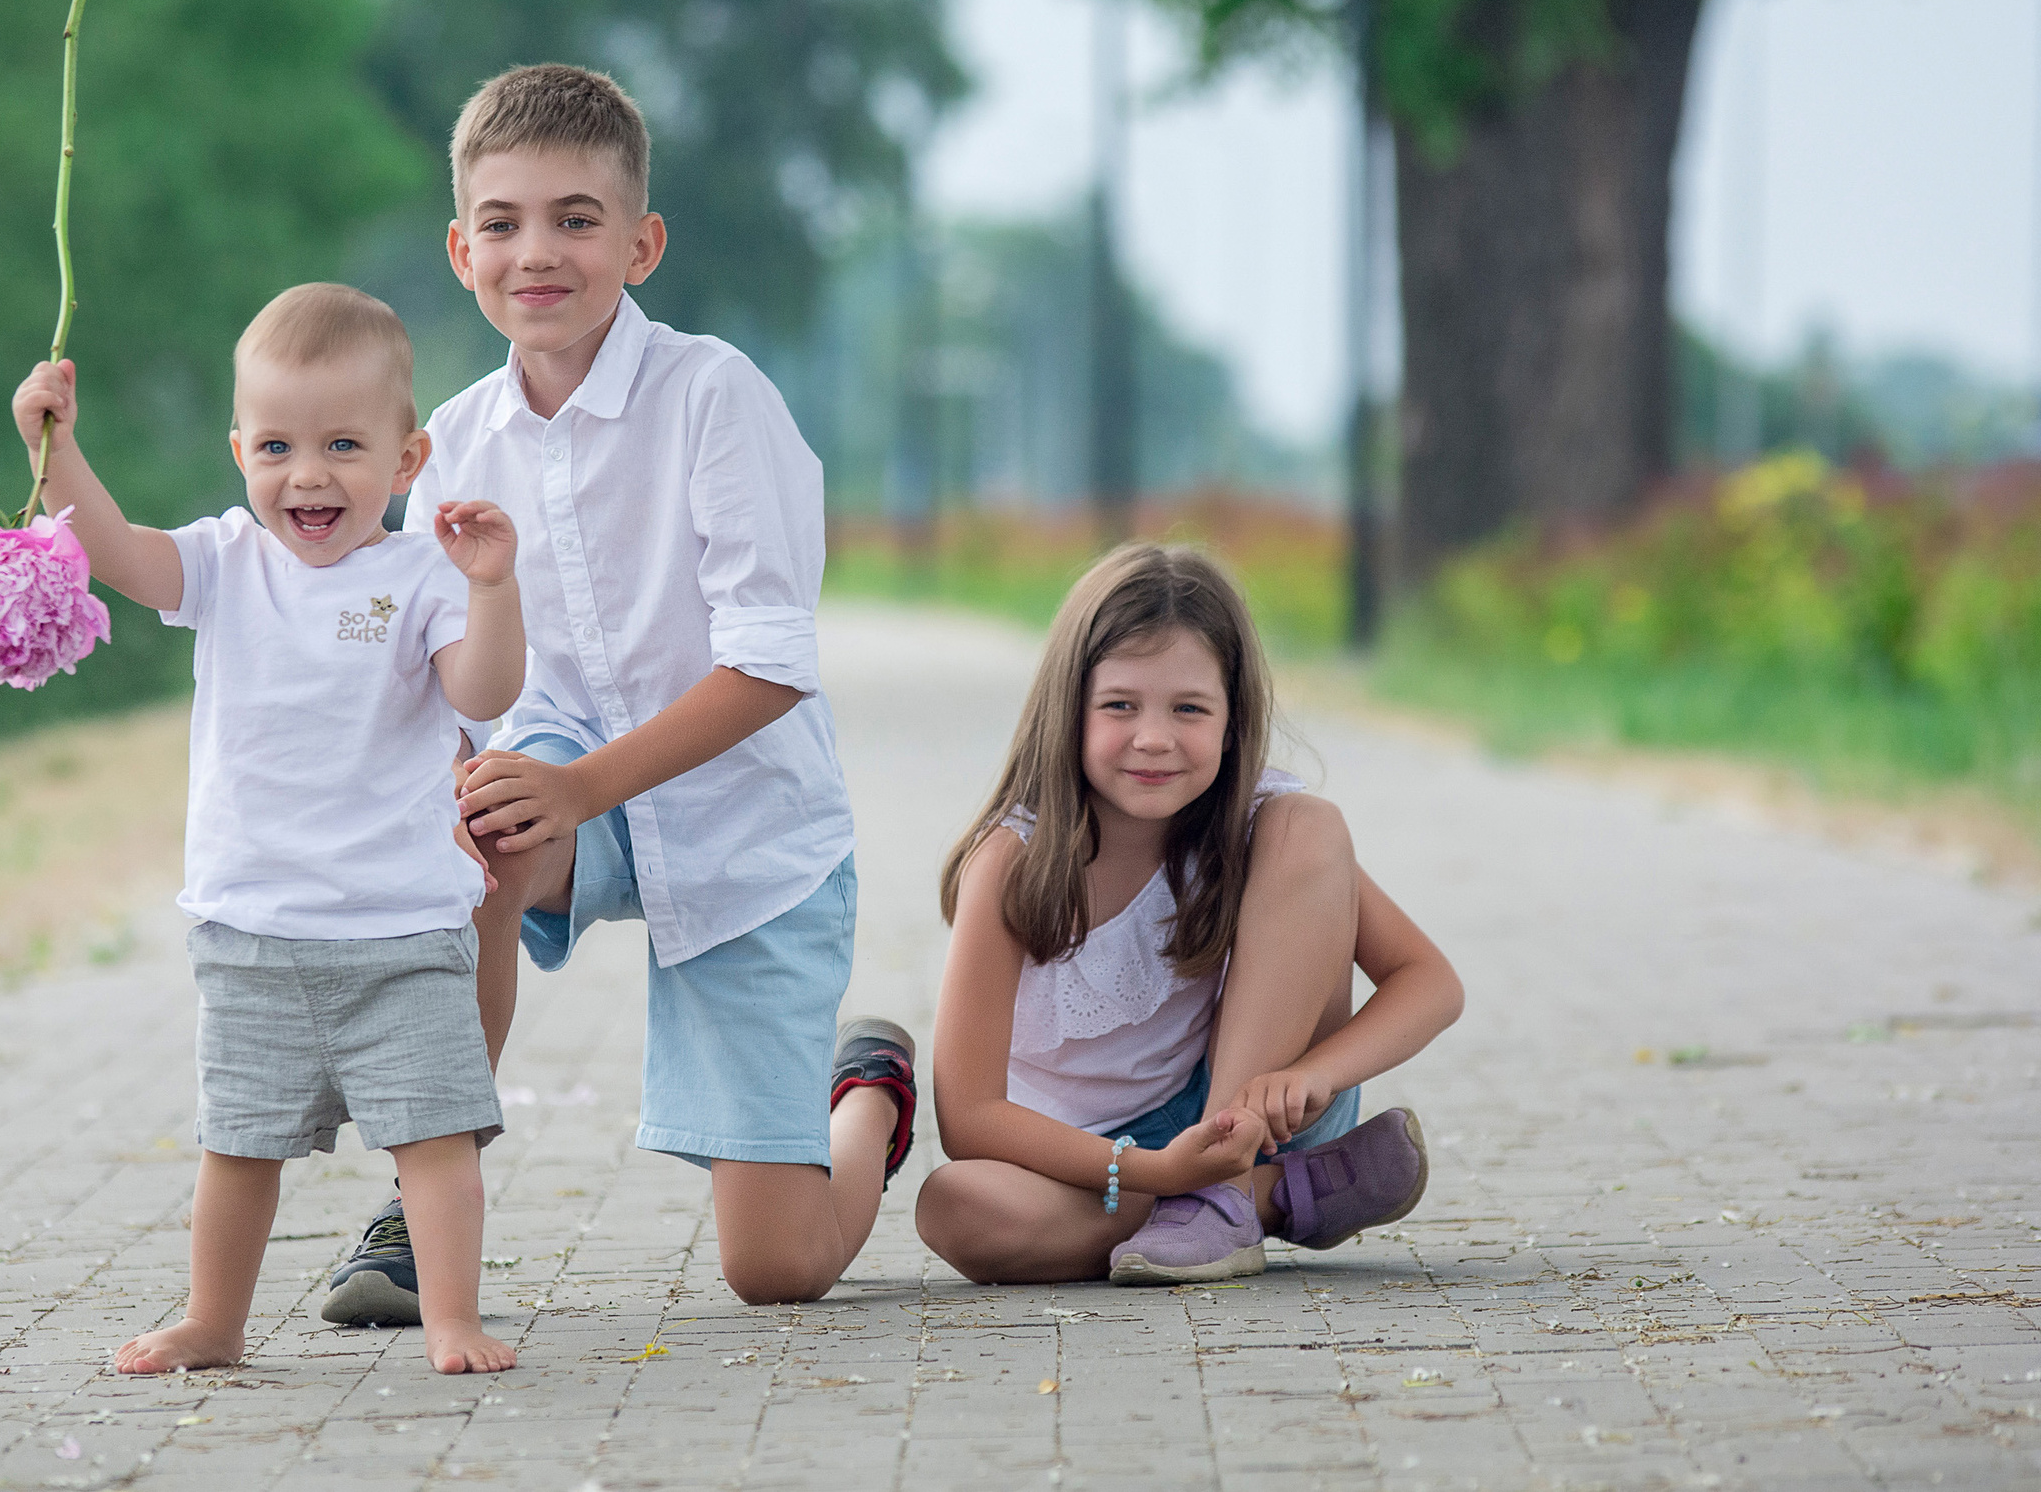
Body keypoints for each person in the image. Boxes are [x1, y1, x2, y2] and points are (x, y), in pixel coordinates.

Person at [320, 64, 912, 1322]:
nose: (538, 251)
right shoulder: (451, 447)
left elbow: (766, 668)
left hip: (750, 831)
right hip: (563, 785)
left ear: (640, 244)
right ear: (460, 247)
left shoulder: (715, 399)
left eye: (576, 220)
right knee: (474, 831)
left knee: (775, 1270)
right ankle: (429, 1193)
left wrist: (580, 784)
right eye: (503, 221)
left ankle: (865, 1092)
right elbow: (420, 668)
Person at [8, 282, 527, 1375]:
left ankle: (450, 1318)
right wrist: (54, 449)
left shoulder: (421, 578)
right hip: (253, 931)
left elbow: (485, 684)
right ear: (239, 448)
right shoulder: (223, 562)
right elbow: (109, 548)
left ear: (407, 458)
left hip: (401, 934)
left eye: (344, 444)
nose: (308, 475)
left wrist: (492, 589)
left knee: (436, 1144)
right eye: (278, 445)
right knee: (237, 1148)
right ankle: (214, 1320)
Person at [915, 543, 1463, 1284]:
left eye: (1189, 709)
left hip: (1240, 1109)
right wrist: (1155, 1168)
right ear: (1068, 709)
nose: (1153, 738)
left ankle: (1223, 1196)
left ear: (1234, 721)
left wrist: (1312, 1075)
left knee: (1312, 823)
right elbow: (968, 1117)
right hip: (1090, 1164)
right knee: (953, 1206)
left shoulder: (1256, 821)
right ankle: (1276, 1200)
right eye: (1119, 705)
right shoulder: (1012, 862)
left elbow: (1430, 981)